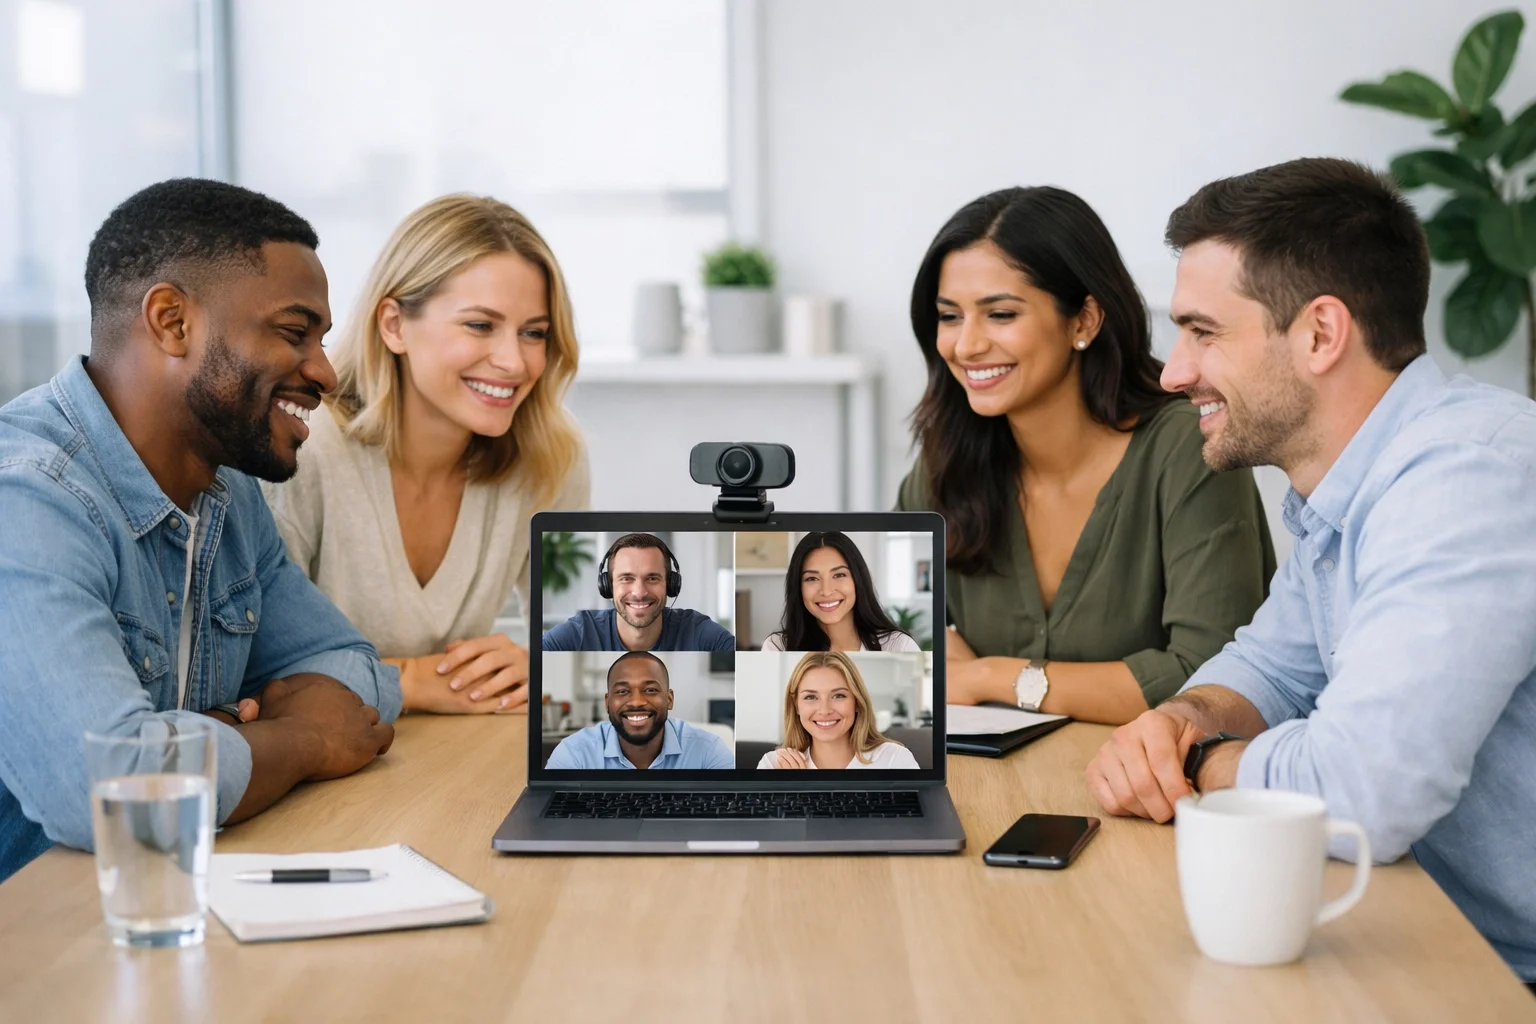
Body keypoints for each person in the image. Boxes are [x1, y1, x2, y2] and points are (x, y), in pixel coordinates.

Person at [1084, 157, 1536, 989]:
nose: (1174, 373)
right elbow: (1268, 666)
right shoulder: (1343, 492)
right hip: (1430, 933)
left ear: (1321, 334)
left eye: (1203, 332)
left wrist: (1197, 763)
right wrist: (1184, 716)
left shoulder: (1467, 479)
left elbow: (1360, 789)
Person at [0, 179, 399, 883]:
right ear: (173, 322)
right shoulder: (29, 501)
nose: (326, 373)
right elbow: (110, 792)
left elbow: (355, 672)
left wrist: (209, 745)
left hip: (168, 906)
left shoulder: (224, 492)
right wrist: (301, 741)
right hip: (38, 945)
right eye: (293, 332)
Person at [894, 186, 1275, 725]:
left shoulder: (1189, 448)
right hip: (983, 788)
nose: (966, 345)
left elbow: (1210, 676)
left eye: (1000, 314)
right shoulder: (941, 467)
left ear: (1084, 320)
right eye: (949, 316)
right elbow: (896, 636)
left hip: (1145, 798)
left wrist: (987, 676)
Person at [262, 195, 588, 714]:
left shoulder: (551, 457)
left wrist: (545, 664)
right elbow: (253, 668)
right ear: (393, 325)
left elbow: (583, 646)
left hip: (454, 763)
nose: (514, 361)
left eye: (534, 333)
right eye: (480, 325)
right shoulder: (302, 449)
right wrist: (409, 681)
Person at [542, 533, 734, 652]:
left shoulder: (700, 632)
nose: (639, 592)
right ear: (608, 585)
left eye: (652, 578)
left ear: (670, 584)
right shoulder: (578, 633)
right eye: (626, 578)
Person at [545, 652, 734, 769]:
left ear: (669, 699)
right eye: (623, 691)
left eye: (650, 690)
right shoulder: (573, 753)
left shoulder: (709, 750)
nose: (636, 701)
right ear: (608, 702)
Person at [762, 532, 921, 653]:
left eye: (839, 575)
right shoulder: (777, 647)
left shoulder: (898, 646)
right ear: (797, 587)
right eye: (811, 578)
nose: (826, 591)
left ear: (858, 580)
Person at [757, 652, 919, 769]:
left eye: (838, 695)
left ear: (857, 701)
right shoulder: (773, 764)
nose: (825, 710)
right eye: (811, 697)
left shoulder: (895, 759)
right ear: (796, 706)